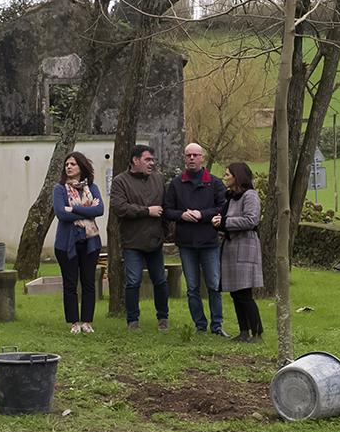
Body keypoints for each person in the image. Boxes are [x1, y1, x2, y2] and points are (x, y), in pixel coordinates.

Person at [165, 142, 227, 336]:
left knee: (214, 285)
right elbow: (167, 210)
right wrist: (181, 215)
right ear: (184, 158)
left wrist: (202, 214)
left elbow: (223, 207)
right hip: (186, 242)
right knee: (192, 287)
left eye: (195, 155)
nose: (191, 158)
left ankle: (217, 325)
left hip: (209, 241)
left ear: (202, 158)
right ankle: (200, 324)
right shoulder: (176, 184)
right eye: (188, 155)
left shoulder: (214, 183)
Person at [108, 143, 170, 331]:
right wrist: (146, 211)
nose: (151, 163)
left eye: (153, 160)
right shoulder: (120, 181)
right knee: (133, 281)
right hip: (132, 241)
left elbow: (166, 207)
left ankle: (163, 318)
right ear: (135, 160)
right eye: (147, 159)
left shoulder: (158, 179)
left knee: (160, 280)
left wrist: (165, 233)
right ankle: (132, 321)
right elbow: (119, 207)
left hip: (155, 240)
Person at [52, 151, 104, 334]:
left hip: (90, 241)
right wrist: (87, 209)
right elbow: (61, 213)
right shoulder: (59, 189)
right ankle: (74, 322)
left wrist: (73, 207)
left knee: (89, 282)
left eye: (72, 164)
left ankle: (87, 321)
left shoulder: (93, 188)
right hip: (66, 243)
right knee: (70, 283)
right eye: (67, 164)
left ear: (81, 167)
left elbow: (100, 209)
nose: (69, 167)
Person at [214, 161, 264, 343]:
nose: (224, 177)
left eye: (227, 174)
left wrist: (225, 222)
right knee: (236, 292)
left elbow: (251, 220)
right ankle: (244, 331)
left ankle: (257, 333)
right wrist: (220, 222)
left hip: (245, 247)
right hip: (231, 247)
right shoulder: (231, 197)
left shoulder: (250, 196)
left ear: (237, 176)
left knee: (244, 293)